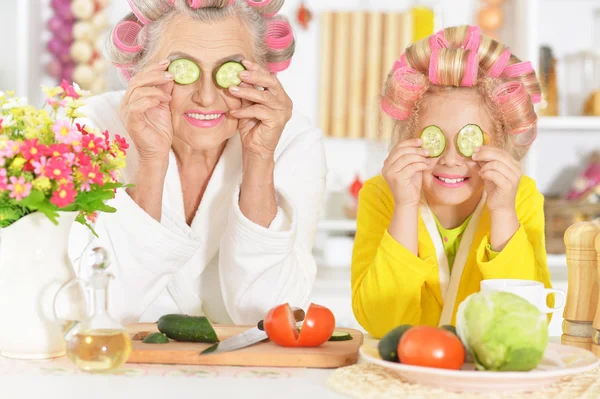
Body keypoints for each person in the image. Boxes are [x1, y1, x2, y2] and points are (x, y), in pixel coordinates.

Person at [70, 0, 327, 326]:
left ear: (262, 73)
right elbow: (106, 310)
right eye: (182, 71)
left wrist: (259, 158)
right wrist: (151, 160)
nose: (206, 97)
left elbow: (273, 317)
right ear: (141, 69)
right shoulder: (91, 129)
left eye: (230, 72)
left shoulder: (294, 141)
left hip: (250, 374)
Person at [351, 25, 552, 338]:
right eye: (434, 141)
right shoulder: (381, 195)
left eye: (469, 141)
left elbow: (525, 320)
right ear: (408, 138)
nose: (451, 160)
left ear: (499, 143)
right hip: (410, 368)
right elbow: (381, 322)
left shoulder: (521, 197)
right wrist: (404, 205)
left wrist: (503, 213)